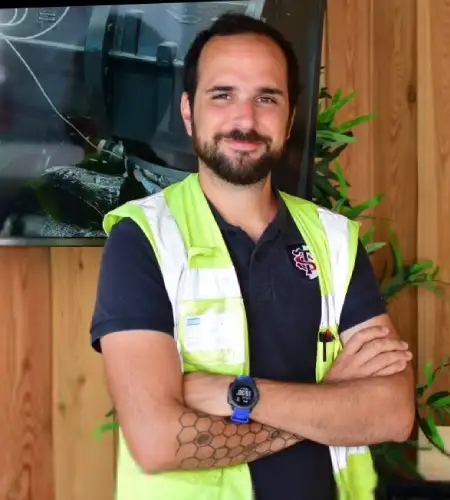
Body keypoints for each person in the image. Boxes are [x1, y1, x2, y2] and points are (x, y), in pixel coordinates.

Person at [90, 12, 415, 500]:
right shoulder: (142, 239)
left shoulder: (335, 239)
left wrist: (236, 395)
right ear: (188, 111)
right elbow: (158, 441)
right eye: (223, 95)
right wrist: (329, 403)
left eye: (267, 98)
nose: (245, 120)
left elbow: (393, 413)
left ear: (290, 117)